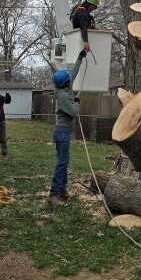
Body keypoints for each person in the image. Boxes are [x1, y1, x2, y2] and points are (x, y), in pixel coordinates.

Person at [47, 50, 86, 207]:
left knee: (64, 161)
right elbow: (73, 111)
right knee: (62, 163)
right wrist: (77, 101)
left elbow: (74, 73)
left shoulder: (64, 87)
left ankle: (62, 190)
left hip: (63, 130)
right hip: (62, 132)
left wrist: (80, 57)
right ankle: (55, 193)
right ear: (65, 84)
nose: (71, 78)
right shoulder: (63, 96)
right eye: (68, 79)